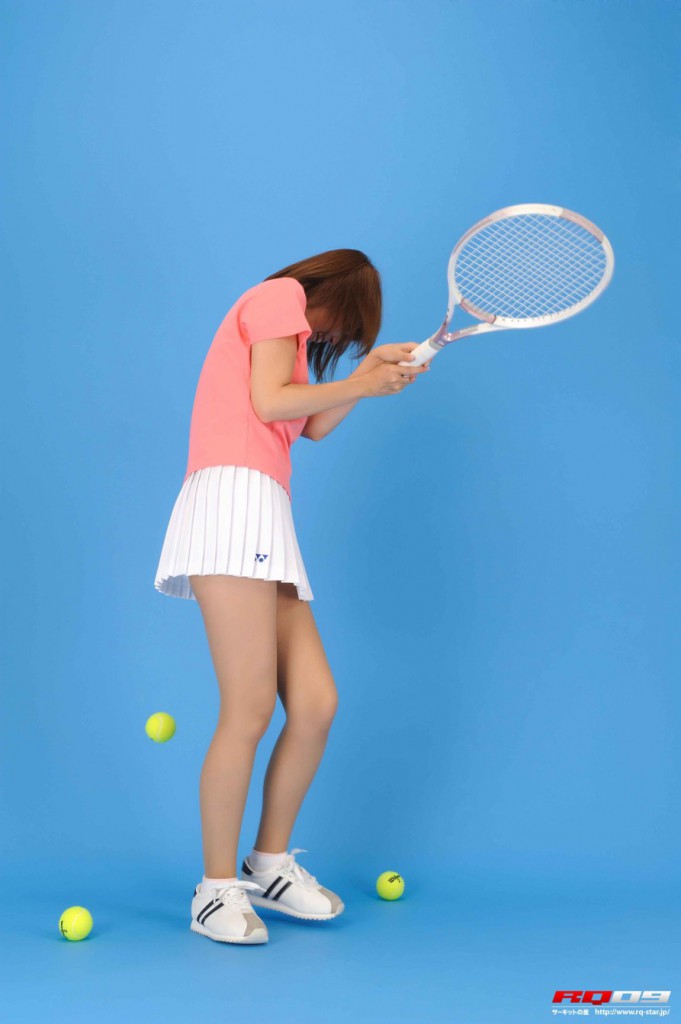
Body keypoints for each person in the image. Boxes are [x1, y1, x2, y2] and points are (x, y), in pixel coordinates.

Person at [153, 248, 430, 944]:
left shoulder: (294, 338)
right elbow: (269, 402)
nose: (338, 335)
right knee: (247, 710)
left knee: (314, 703)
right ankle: (215, 891)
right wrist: (362, 381)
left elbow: (309, 423)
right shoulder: (279, 297)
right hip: (231, 502)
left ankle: (269, 865)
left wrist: (366, 380)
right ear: (336, 293)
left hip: (265, 510)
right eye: (348, 325)